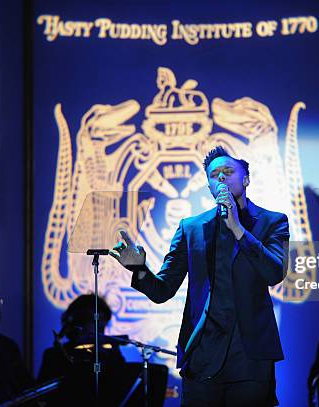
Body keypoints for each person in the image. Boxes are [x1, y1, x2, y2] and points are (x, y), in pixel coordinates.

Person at [111, 146, 290, 406]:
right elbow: (163, 289)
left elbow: (274, 272)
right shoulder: (191, 228)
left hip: (250, 358)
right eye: (213, 174)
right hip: (203, 355)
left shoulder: (272, 222)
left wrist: (239, 230)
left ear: (246, 179)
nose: (221, 177)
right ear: (208, 185)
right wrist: (138, 269)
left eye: (228, 171)